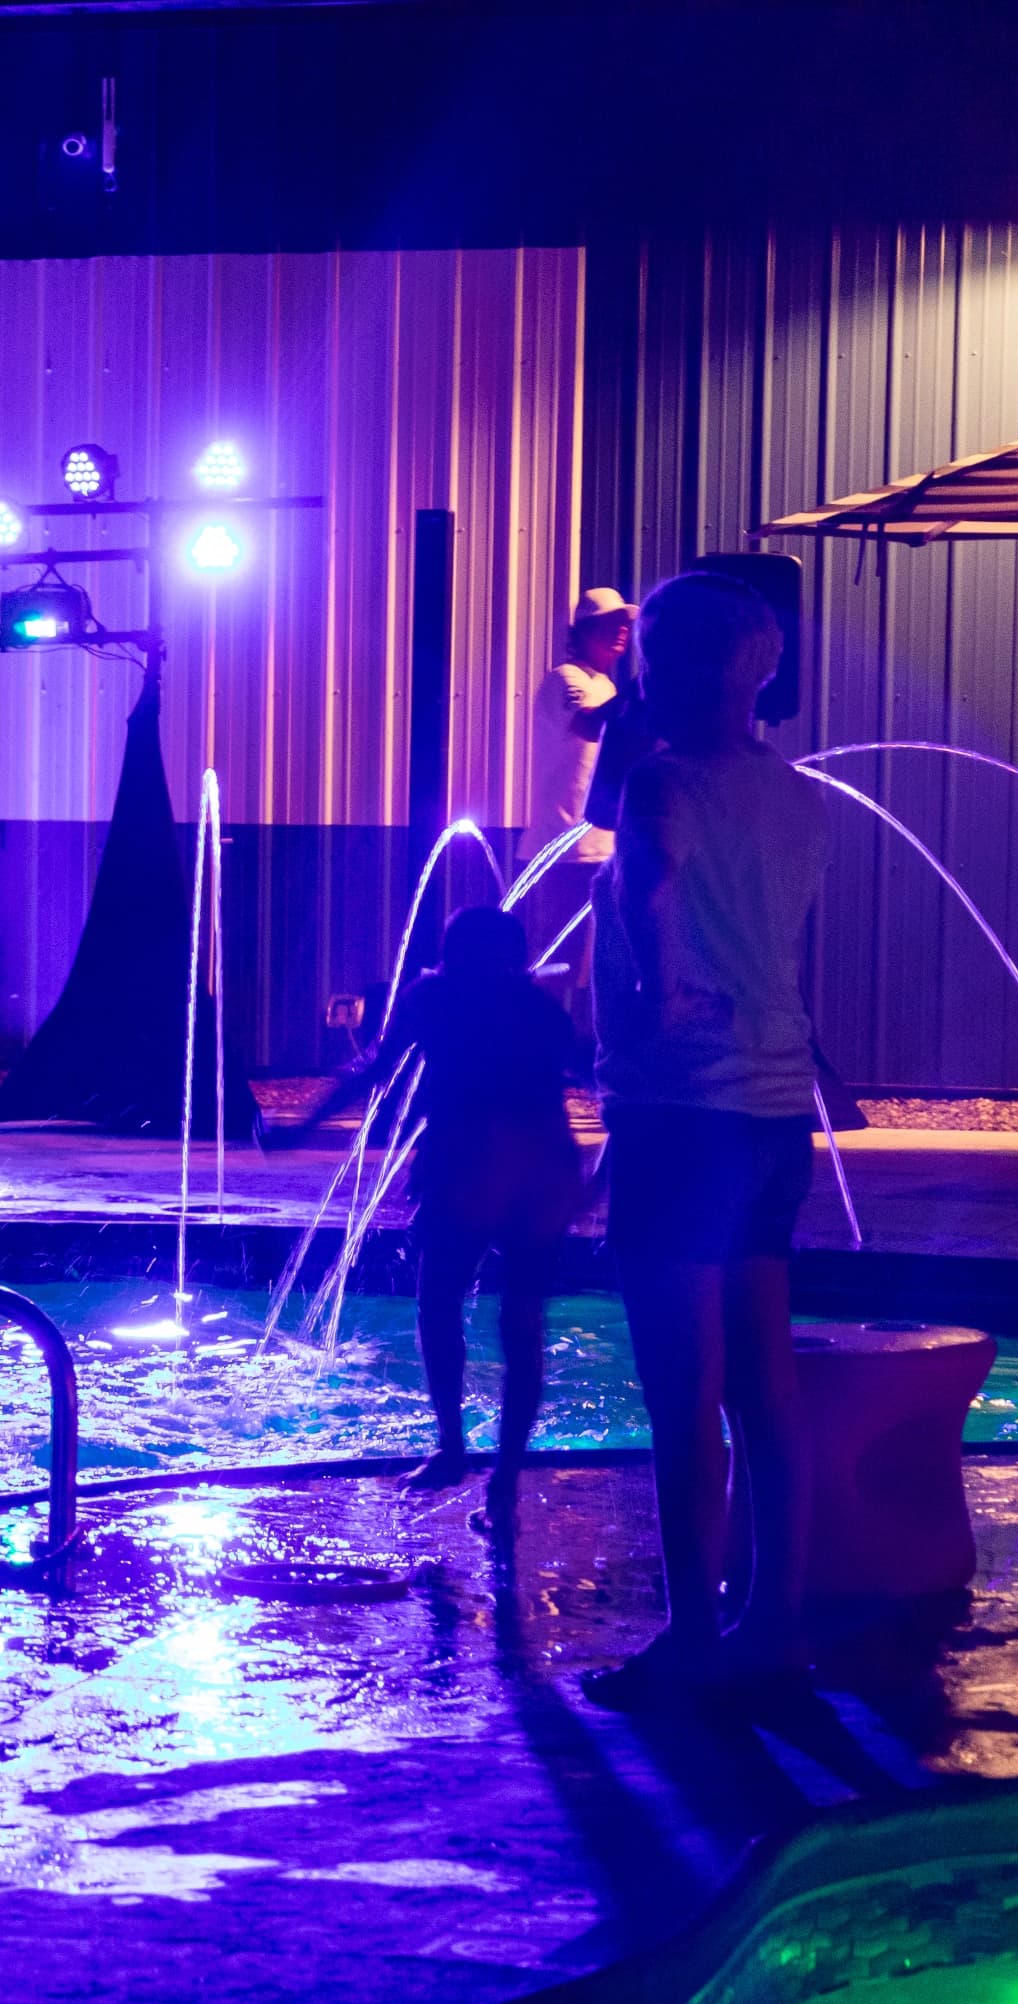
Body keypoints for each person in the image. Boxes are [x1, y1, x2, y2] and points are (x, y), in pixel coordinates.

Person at [583, 570, 830, 1712]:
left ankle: (691, 1633)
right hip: (778, 1112)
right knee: (765, 1386)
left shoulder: (658, 779)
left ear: (665, 665)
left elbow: (650, 894)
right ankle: (771, 1619)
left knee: (684, 1394)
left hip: (680, 1111)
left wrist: (666, 991)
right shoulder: (800, 794)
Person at [270, 905, 585, 1528]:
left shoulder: (435, 997)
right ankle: (507, 1478)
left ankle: (451, 1447)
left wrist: (302, 1124)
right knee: (522, 1324)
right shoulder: (538, 1008)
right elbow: (601, 1074)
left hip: (467, 1163)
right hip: (541, 1167)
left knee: (438, 1302)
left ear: (451, 954)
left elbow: (376, 1070)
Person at [525, 587, 634, 1029]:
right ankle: (537, 1051)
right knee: (559, 962)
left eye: (625, 625)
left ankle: (582, 1054)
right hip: (564, 847)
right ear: (585, 631)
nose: (622, 633)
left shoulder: (606, 686)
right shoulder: (564, 679)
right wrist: (649, 687)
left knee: (602, 960)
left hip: (604, 848)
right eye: (611, 625)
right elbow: (591, 725)